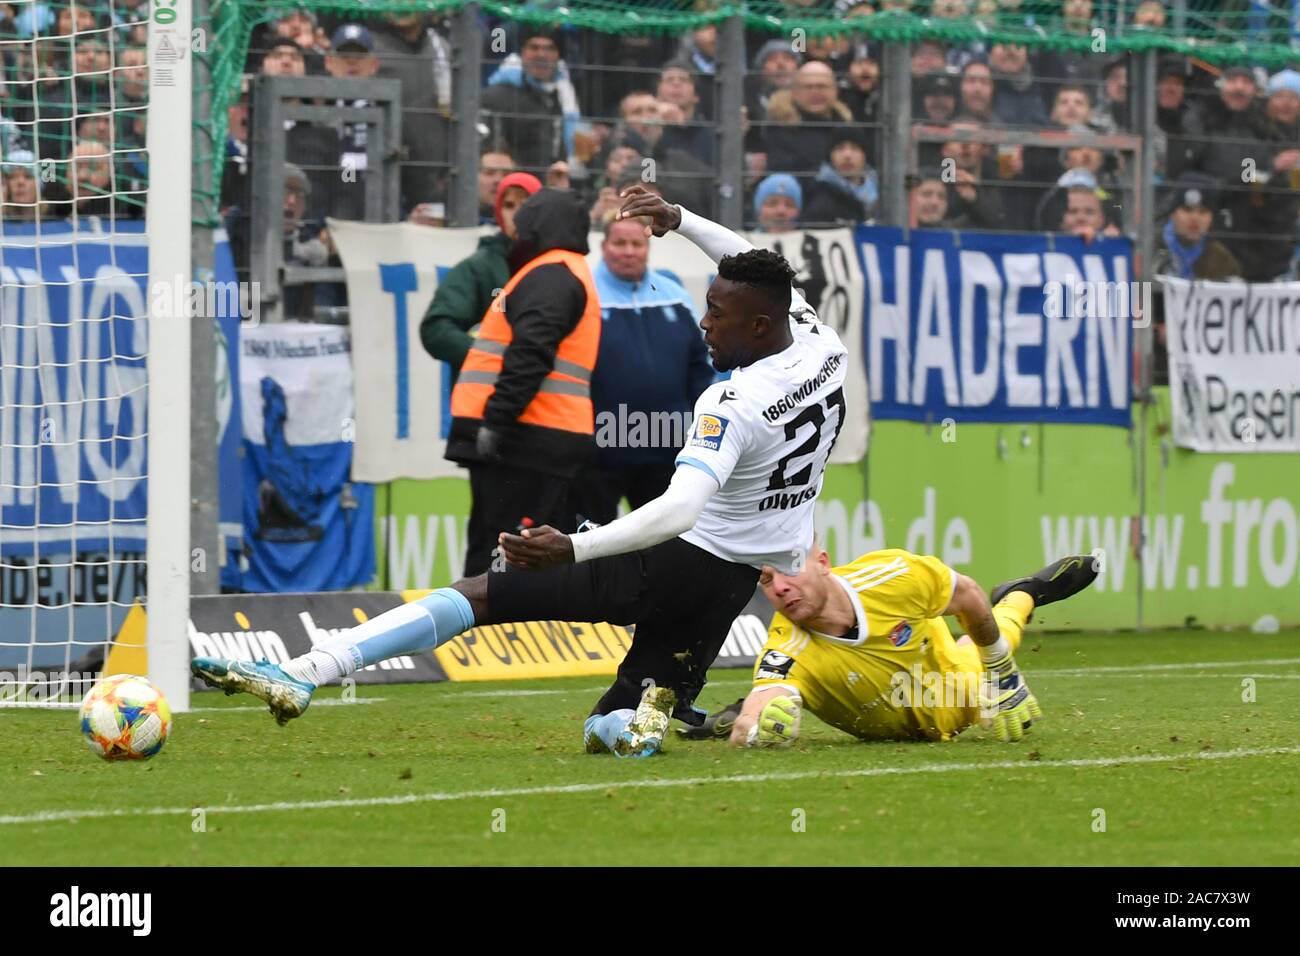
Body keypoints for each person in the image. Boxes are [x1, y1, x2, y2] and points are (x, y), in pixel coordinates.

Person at [191, 186, 849, 763]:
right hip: (728, 587)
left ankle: (306, 670)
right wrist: (679, 218)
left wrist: (575, 545)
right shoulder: (821, 344)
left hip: (675, 555)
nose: (705, 322)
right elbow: (745, 263)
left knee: (482, 593)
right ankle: (637, 720)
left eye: (718, 315)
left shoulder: (733, 401)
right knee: (610, 718)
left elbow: (679, 510)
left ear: (760, 324)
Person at [708, 547, 1098, 747]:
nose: (779, 588)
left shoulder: (892, 577)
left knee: (988, 643)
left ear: (823, 562)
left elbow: (966, 595)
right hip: (923, 699)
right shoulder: (787, 649)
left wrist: (1003, 672)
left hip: (951, 686)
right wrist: (759, 730)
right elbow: (755, 714)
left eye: (788, 569)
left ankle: (1022, 594)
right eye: (765, 580)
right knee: (970, 650)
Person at [435, 188, 600, 577]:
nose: (516, 233)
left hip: (523, 440)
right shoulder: (563, 272)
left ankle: (491, 635)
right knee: (522, 557)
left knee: (501, 559)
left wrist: (495, 420)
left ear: (540, 226)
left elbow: (530, 353)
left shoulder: (550, 275)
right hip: (539, 437)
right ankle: (517, 631)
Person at [570, 216, 715, 527]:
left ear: (648, 248)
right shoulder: (583, 296)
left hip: (666, 448)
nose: (628, 251)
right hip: (601, 450)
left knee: (662, 552)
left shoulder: (673, 294)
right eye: (619, 243)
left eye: (637, 243)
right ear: (603, 246)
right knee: (590, 551)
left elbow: (699, 368)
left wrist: (695, 432)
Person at [418, 171, 542, 375]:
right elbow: (436, 329)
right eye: (509, 205)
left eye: (526, 203)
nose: (518, 214)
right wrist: (489, 357)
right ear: (499, 214)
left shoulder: (555, 266)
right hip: (488, 400)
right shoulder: (478, 268)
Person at [1151, 174, 1242, 280]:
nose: (1195, 218)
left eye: (1203, 212)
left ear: (1211, 218)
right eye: (1187, 210)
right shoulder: (1148, 251)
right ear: (1173, 214)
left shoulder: (1223, 260)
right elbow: (1140, 294)